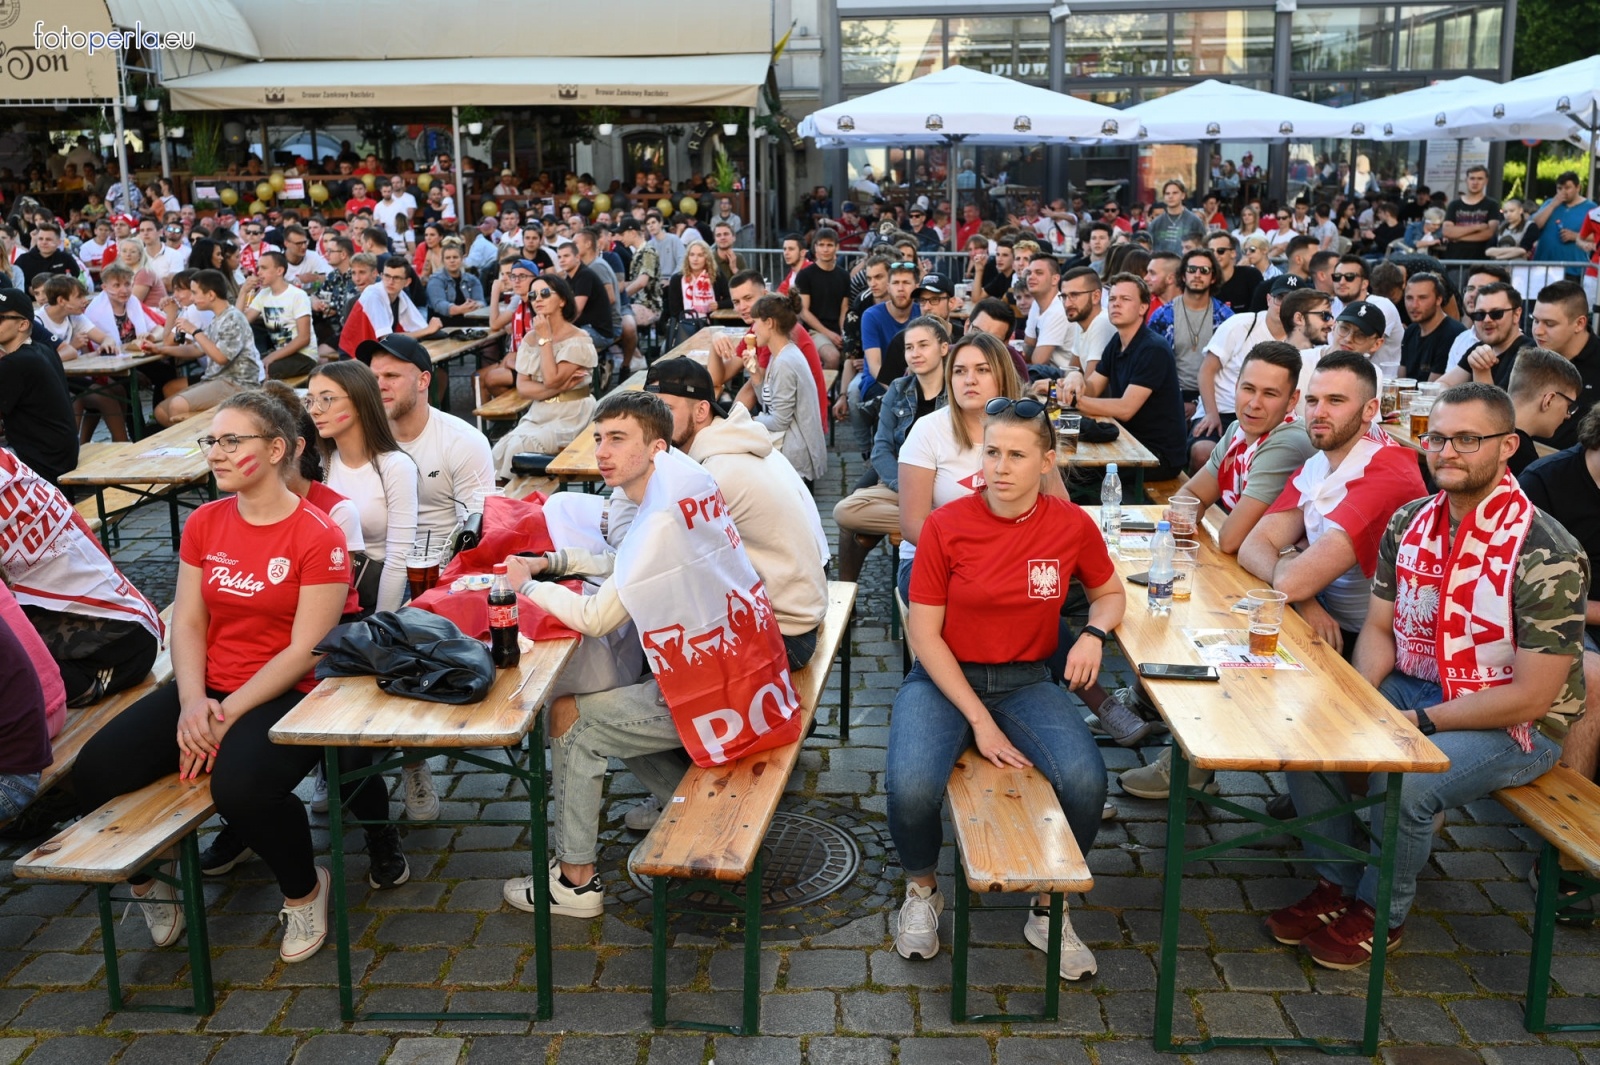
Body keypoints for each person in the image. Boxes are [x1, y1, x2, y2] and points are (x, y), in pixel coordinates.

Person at [1269, 383, 1580, 971]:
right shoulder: (1411, 520)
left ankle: (1378, 913)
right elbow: (1381, 632)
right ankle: (1335, 884)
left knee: (1407, 784)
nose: (1448, 451)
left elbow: (1533, 696)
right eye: (1438, 437)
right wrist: (1358, 702)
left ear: (1508, 445)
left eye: (1468, 439)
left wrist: (1415, 722)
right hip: (1416, 682)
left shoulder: (1547, 552)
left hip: (1514, 722)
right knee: (1311, 731)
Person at [70, 392, 352, 963]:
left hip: (285, 694)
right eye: (212, 441)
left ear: (276, 450)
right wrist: (194, 702)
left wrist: (225, 715)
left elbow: (305, 651)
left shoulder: (319, 535)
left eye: (232, 441)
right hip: (208, 687)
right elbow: (191, 622)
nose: (216, 453)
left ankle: (304, 889)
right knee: (94, 772)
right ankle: (152, 882)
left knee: (242, 788)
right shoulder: (205, 521)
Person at [496, 391, 786, 917]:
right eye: (600, 438)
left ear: (655, 446)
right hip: (748, 669)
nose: (602, 451)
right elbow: (626, 559)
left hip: (723, 689)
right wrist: (552, 561)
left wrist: (525, 586)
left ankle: (575, 882)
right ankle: (691, 806)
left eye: (618, 439)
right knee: (610, 699)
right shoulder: (682, 479)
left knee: (572, 718)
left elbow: (595, 619)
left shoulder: (659, 515)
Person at [888, 398, 1121, 978]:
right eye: (992, 452)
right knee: (911, 785)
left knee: (1087, 781)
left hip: (1026, 680)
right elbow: (925, 635)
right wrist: (979, 721)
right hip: (945, 677)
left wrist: (1093, 633)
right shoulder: (946, 526)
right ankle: (922, 890)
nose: (1001, 466)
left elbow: (1111, 592)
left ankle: (1047, 904)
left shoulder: (1071, 525)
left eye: (1017, 455)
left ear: (1047, 461)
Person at [622, 360, 832, 827]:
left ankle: (687, 796)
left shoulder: (711, 473)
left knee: (642, 656)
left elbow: (662, 565)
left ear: (700, 412)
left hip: (785, 634)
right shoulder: (733, 443)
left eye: (665, 410)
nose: (652, 424)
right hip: (796, 608)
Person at [1117, 343, 1317, 800]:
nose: (1253, 402)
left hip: (1283, 588)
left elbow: (1232, 537)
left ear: (1291, 401)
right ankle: (1147, 705)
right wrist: (1201, 515)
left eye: (1269, 393)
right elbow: (1187, 498)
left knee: (1191, 621)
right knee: (1159, 600)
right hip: (1248, 569)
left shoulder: (1287, 439)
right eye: (1247, 388)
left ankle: (1190, 767)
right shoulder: (1240, 431)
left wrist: (1203, 518)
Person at [1239, 352, 1427, 659]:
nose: (1318, 412)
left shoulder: (1387, 475)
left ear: (1370, 409)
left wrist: (1294, 572)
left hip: (1373, 645)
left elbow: (1290, 579)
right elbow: (1252, 546)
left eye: (1335, 401)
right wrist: (1304, 599)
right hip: (1322, 615)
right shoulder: (1321, 461)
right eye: (1312, 401)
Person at [897, 332, 1026, 601]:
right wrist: (981, 558)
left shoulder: (1026, 427)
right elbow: (912, 526)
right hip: (934, 559)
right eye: (959, 371)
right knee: (986, 597)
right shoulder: (928, 430)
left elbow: (1059, 504)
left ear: (1002, 375)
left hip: (1012, 558)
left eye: (982, 370)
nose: (969, 380)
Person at [834, 317, 949, 582]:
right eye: (909, 348)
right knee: (844, 512)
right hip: (904, 482)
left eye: (923, 345)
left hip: (945, 484)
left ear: (943, 348)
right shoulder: (898, 389)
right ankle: (846, 595)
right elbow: (882, 449)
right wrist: (907, 487)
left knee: (853, 524)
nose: (915, 353)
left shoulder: (956, 393)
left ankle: (846, 594)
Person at [1519, 405, 1600, 783]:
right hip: (1554, 616)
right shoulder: (1546, 481)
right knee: (1593, 675)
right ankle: (1569, 817)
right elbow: (1515, 586)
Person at [306, 360, 419, 620]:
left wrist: (379, 625)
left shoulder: (395, 466)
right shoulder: (322, 464)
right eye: (310, 400)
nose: (315, 410)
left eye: (327, 399)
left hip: (376, 596)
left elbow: (399, 558)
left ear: (359, 402)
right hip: (327, 593)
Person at [362, 334, 494, 551]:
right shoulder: (361, 437)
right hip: (372, 566)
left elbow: (475, 530)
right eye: (373, 377)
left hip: (437, 570)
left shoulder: (463, 441)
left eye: (391, 375)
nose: (380, 385)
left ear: (423, 381)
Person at [1057, 274, 1188, 480]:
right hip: (1127, 443)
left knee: (1069, 472)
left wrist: (1075, 400)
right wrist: (1075, 378)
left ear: (1143, 308)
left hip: (1157, 455)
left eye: (1125, 299)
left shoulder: (1153, 348)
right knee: (1061, 458)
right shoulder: (1117, 342)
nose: (1116, 304)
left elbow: (1125, 409)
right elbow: (1093, 387)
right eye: (1112, 299)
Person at [489, 272, 599, 480]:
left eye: (545, 293)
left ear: (562, 300)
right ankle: (504, 504)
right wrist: (560, 387)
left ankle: (516, 503)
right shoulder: (530, 338)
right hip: (540, 412)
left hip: (572, 414)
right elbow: (523, 388)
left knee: (518, 448)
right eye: (533, 295)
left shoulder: (578, 338)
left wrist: (546, 339)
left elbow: (550, 378)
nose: (537, 299)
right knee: (499, 450)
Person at [1191, 274, 1299, 469]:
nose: (1284, 305)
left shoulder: (1301, 339)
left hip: (1267, 416)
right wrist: (1211, 413)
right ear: (1268, 299)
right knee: (1203, 451)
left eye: (1293, 301)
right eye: (1280, 298)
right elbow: (1206, 370)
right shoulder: (1241, 324)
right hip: (1222, 409)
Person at [707, 269, 828, 423]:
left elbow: (753, 388)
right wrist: (715, 342)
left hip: (802, 424)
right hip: (783, 413)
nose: (742, 307)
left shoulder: (774, 331)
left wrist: (729, 424)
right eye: (736, 302)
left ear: (764, 295)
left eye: (748, 298)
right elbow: (719, 378)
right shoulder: (757, 328)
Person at [153, 270, 262, 427]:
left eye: (195, 293)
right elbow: (197, 350)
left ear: (211, 295)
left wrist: (194, 331)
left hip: (238, 383)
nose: (191, 298)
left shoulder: (233, 318)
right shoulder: (218, 318)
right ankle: (195, 442)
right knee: (161, 412)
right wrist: (161, 350)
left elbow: (221, 358)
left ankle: (203, 444)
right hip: (217, 380)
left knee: (177, 405)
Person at [746, 293, 828, 488]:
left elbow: (779, 421)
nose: (753, 329)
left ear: (770, 323)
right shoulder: (781, 355)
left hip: (796, 456)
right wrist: (756, 376)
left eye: (756, 322)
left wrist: (750, 421)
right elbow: (771, 404)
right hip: (792, 446)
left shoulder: (785, 362)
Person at [0, 290, 79, 488]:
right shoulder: (42, 349)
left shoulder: (14, 363)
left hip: (42, 462)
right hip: (62, 452)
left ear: (23, 324)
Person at [1148, 248, 1233, 418]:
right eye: (1192, 270)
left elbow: (1232, 369)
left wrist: (1197, 404)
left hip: (1215, 396)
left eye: (1205, 270)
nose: (1197, 275)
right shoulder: (1163, 315)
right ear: (1183, 276)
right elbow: (1151, 364)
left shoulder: (1225, 317)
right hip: (1168, 394)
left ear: (1213, 277)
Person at [1528, 280, 1600, 449]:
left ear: (1579, 323)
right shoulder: (1529, 355)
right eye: (1535, 320)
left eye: (1549, 324)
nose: (1538, 330)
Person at [1438, 282, 1534, 390]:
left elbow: (1498, 406)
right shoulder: (1479, 348)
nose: (1487, 320)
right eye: (1480, 314)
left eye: (1496, 313)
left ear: (1516, 314)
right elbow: (1442, 384)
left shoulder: (1529, 355)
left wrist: (1481, 372)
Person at [238, 252, 319, 381]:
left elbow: (304, 338)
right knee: (243, 366)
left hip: (304, 356)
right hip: (281, 354)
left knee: (260, 372)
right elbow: (239, 323)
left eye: (264, 268)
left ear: (279, 270)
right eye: (258, 268)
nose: (258, 272)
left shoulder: (297, 295)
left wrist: (272, 357)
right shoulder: (264, 294)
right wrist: (243, 292)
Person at [1505, 348, 1583, 475]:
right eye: (1569, 406)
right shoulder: (1521, 455)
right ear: (1549, 400)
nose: (1567, 415)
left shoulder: (1480, 428)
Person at [793, 227, 848, 370]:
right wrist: (829, 334)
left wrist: (843, 333)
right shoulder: (805, 275)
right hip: (813, 331)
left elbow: (844, 309)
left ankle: (843, 392)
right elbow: (804, 312)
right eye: (821, 245)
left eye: (829, 245)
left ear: (837, 247)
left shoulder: (844, 275)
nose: (825, 249)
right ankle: (823, 392)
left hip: (837, 330)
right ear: (815, 247)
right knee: (832, 357)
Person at [1400, 272, 1465, 383]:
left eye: (1422, 298)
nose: (1414, 305)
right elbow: (1401, 380)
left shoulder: (1453, 334)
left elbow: (1432, 389)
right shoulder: (1410, 331)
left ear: (1439, 299)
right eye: (1409, 298)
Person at [1528, 170, 1597, 274]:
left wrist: (1575, 236)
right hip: (1543, 267)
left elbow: (1597, 235)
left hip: (1573, 269)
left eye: (1567, 188)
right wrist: (1552, 205)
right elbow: (1535, 225)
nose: (1563, 192)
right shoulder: (1549, 203)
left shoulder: (1591, 208)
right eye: (1559, 188)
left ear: (1578, 188)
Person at [1023, 255, 1077, 369]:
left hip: (1063, 379)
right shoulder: (1036, 304)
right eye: (1029, 273)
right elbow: (1028, 345)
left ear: (1055, 279)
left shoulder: (1059, 309)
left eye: (1039, 273)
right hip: (1047, 373)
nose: (1031, 277)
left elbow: (1038, 361)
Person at [1441, 165, 1501, 262]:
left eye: (1480, 179)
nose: (1475, 182)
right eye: (1472, 178)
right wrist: (1477, 227)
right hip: (1454, 260)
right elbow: (1447, 232)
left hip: (1480, 261)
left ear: (1486, 181)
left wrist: (1458, 237)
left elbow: (1489, 233)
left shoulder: (1492, 205)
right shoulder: (1454, 205)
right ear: (1466, 180)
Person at [424, 239, 485, 324]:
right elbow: (439, 305)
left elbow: (481, 302)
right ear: (443, 260)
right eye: (448, 258)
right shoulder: (435, 280)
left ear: (462, 259)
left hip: (469, 324)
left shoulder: (472, 279)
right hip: (443, 326)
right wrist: (460, 309)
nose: (452, 261)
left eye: (455, 257)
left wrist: (476, 305)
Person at [1207, 230, 1263, 314]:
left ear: (1233, 253)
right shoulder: (1205, 280)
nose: (1215, 255)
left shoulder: (1251, 276)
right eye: (1211, 252)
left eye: (1221, 251)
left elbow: (1260, 311)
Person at [1147, 180, 1205, 256]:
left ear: (1183, 195)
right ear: (1164, 197)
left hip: (1186, 265)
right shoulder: (1155, 223)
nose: (1170, 196)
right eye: (1167, 193)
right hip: (1161, 266)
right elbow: (1148, 248)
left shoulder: (1194, 221)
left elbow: (1204, 246)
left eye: (1175, 193)